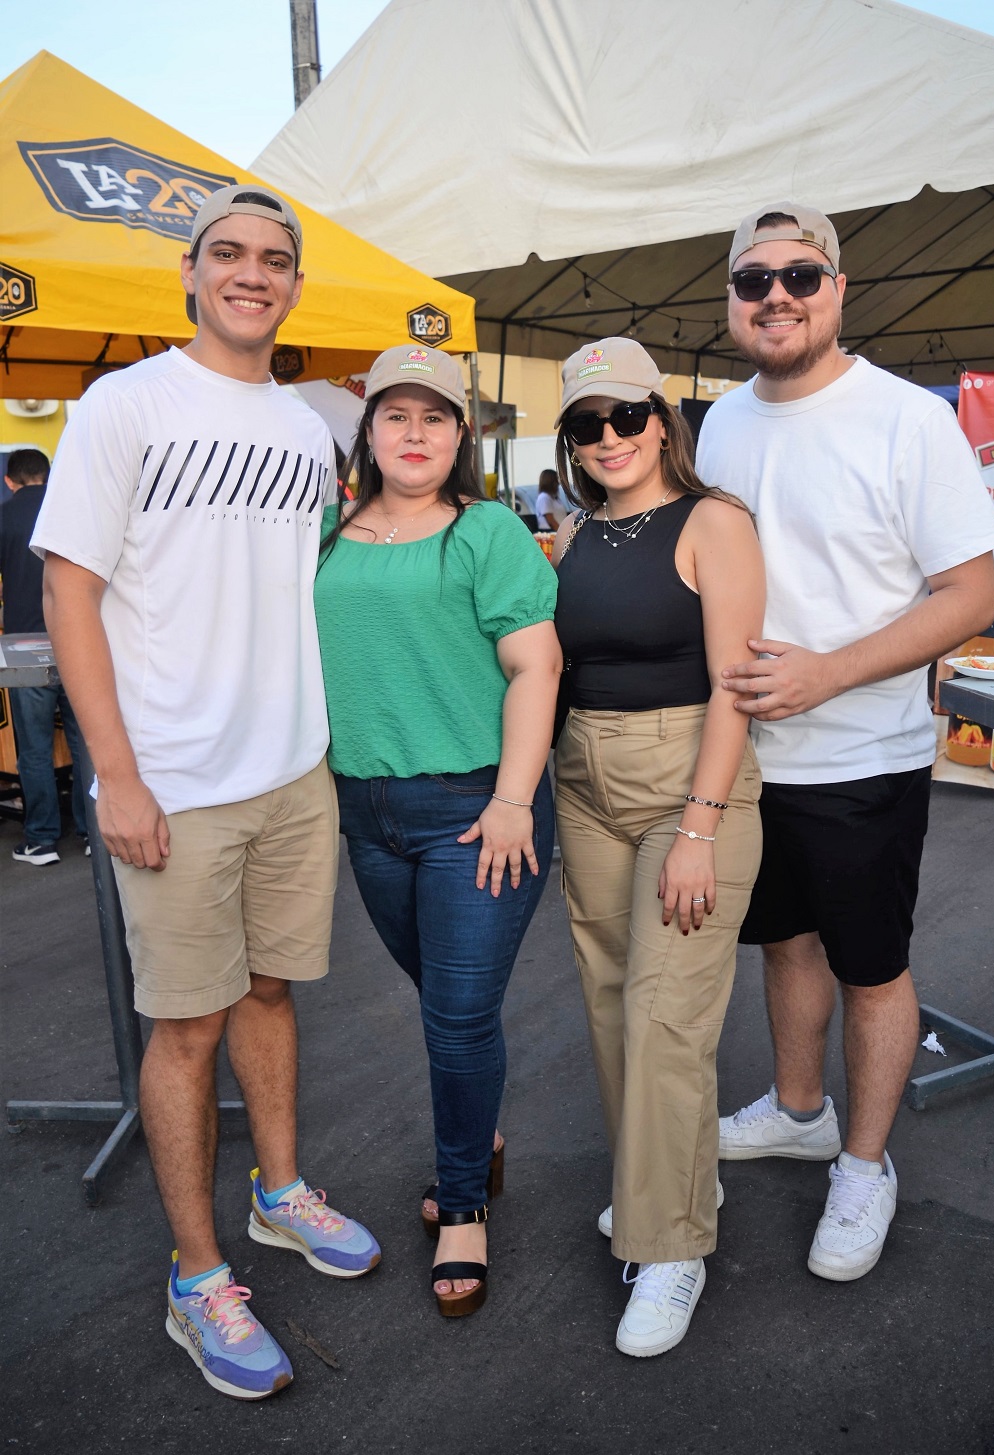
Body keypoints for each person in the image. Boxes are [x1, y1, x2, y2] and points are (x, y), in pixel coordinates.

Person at [33, 184, 380, 1401]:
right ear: (189, 273)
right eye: (227, 253)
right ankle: (197, 1278)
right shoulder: (123, 407)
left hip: (292, 769)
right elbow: (67, 593)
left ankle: (279, 1194)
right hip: (172, 781)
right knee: (187, 1028)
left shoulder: (306, 428)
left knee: (272, 993)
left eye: (273, 259)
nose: (251, 272)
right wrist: (113, 775)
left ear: (293, 284)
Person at [696, 202, 994, 1282]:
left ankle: (864, 1167)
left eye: (798, 275)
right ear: (730, 298)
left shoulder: (902, 420)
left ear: (836, 290)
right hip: (747, 760)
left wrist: (828, 672)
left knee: (872, 967)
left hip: (863, 754)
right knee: (783, 944)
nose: (774, 294)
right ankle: (797, 1110)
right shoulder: (721, 422)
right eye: (751, 280)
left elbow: (972, 589)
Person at [314, 343, 560, 1318]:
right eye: (395, 415)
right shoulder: (326, 534)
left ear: (460, 436)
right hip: (364, 814)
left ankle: (462, 1205)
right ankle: (480, 1130)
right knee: (447, 999)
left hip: (474, 809)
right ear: (367, 430)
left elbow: (535, 670)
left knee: (455, 1016)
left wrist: (509, 800)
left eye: (435, 417)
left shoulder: (484, 531)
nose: (414, 433)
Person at [551, 337, 765, 1357]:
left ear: (662, 419)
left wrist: (698, 827)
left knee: (663, 1014)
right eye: (587, 424)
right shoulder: (582, 531)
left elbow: (736, 687)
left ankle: (672, 1243)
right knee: (608, 999)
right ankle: (659, 1179)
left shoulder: (712, 521)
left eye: (625, 416)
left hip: (688, 781)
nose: (608, 439)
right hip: (584, 782)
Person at [1, 448, 88, 864]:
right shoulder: (71, 511)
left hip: (26, 648)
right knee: (85, 740)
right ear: (48, 475)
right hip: (81, 643)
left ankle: (41, 839)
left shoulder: (4, 517)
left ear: (9, 480)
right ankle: (93, 833)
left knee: (34, 749)